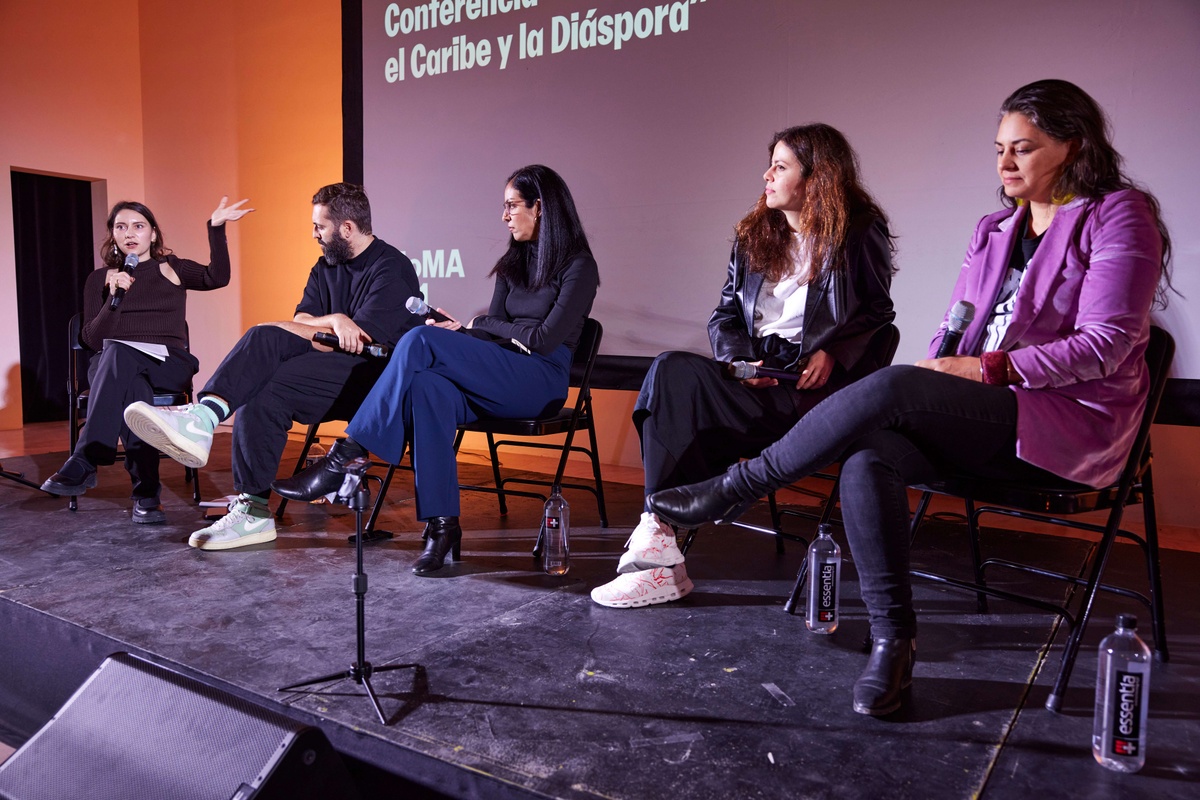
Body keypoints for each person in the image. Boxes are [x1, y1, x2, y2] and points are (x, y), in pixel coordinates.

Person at [645, 80, 1174, 717]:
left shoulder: (1118, 213)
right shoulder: (995, 227)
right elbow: (958, 327)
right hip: (989, 415)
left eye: (1024, 149)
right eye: (999, 148)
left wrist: (984, 370)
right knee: (872, 453)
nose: (1004, 164)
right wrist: (946, 360)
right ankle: (895, 642)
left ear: (1073, 147)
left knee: (894, 385)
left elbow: (1108, 344)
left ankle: (734, 487)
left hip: (1068, 423)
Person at [590, 124, 896, 609]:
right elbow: (726, 314)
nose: (766, 175)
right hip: (755, 373)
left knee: (679, 391)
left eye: (780, 166)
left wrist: (835, 352)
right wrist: (736, 359)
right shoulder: (755, 233)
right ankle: (659, 540)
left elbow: (880, 316)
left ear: (816, 178)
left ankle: (656, 548)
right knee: (670, 370)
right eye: (769, 164)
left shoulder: (858, 233)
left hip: (809, 386)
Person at [271, 165, 600, 575]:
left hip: (540, 382)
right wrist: (464, 332)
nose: (504, 216)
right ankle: (442, 528)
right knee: (428, 388)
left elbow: (543, 341)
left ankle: (347, 456)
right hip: (501, 370)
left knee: (418, 340)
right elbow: (500, 335)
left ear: (541, 208)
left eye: (512, 206)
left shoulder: (579, 267)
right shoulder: (512, 264)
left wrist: (479, 325)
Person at [124, 183, 422, 549]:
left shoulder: (391, 267)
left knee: (265, 333)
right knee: (259, 387)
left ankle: (203, 417)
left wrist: (330, 326)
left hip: (375, 382)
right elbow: (301, 319)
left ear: (347, 228)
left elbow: (363, 340)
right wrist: (336, 319)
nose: (314, 234)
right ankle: (253, 511)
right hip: (327, 371)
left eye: (320, 227)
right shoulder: (324, 266)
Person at [41, 197, 252, 523]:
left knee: (122, 362)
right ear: (112, 234)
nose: (130, 233)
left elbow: (216, 277)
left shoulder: (173, 268)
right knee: (129, 383)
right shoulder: (99, 279)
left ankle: (85, 459)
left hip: (167, 363)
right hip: (113, 363)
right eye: (121, 227)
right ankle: (147, 496)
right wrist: (114, 299)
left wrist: (216, 228)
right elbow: (92, 340)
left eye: (138, 226)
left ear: (153, 234)